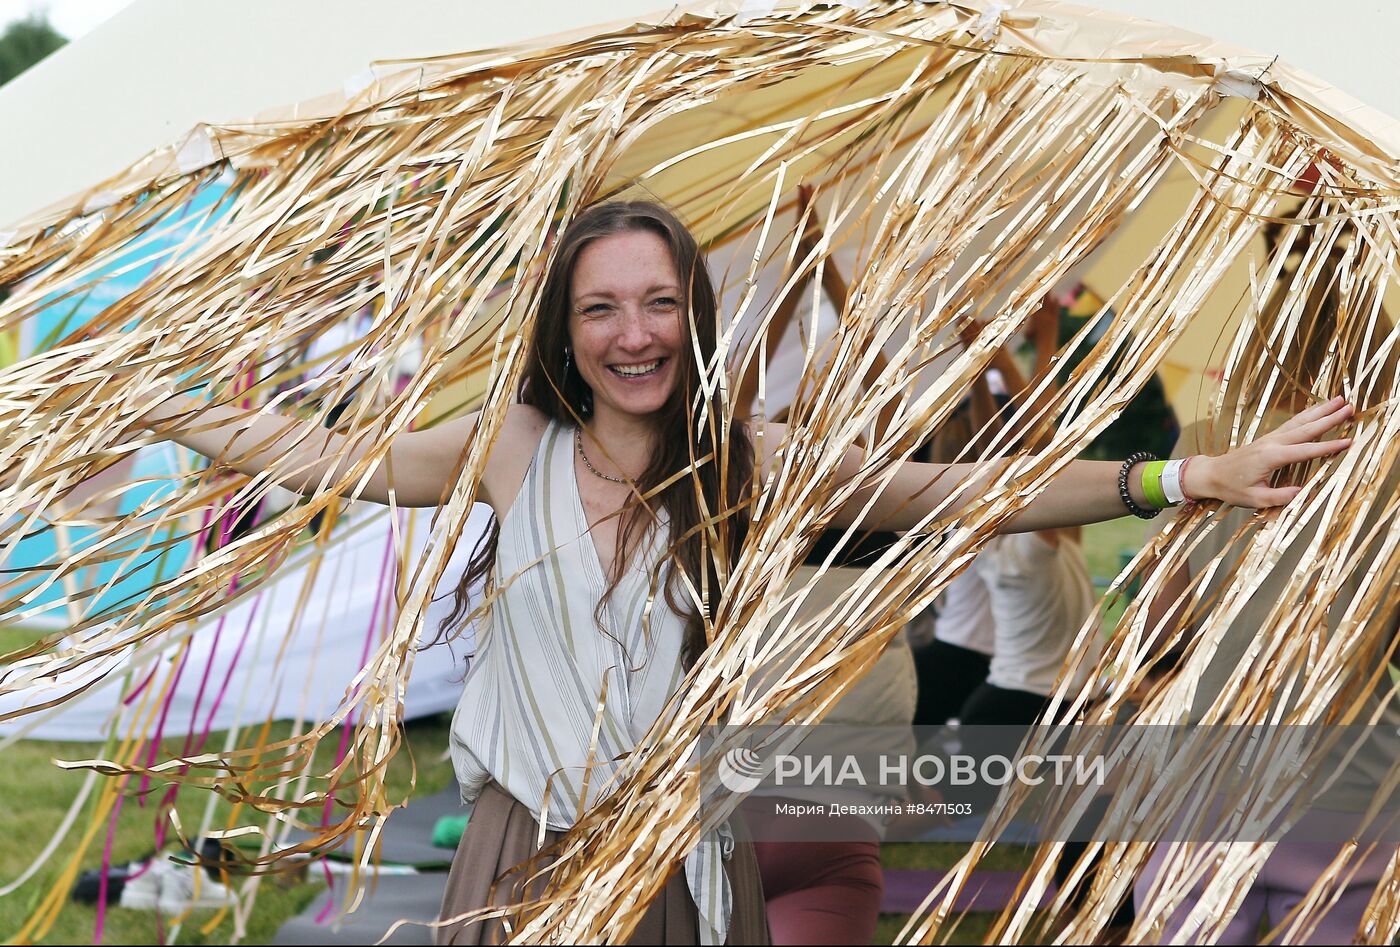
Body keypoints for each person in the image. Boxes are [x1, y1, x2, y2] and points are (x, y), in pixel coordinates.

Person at [125, 200, 1355, 944]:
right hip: (520, 843)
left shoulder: (749, 458)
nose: (633, 332)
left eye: (659, 303)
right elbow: (334, 456)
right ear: (565, 329)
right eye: (601, 308)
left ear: (692, 317)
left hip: (682, 845)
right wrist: (160, 403)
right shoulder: (509, 445)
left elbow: (959, 492)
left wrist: (1182, 480)